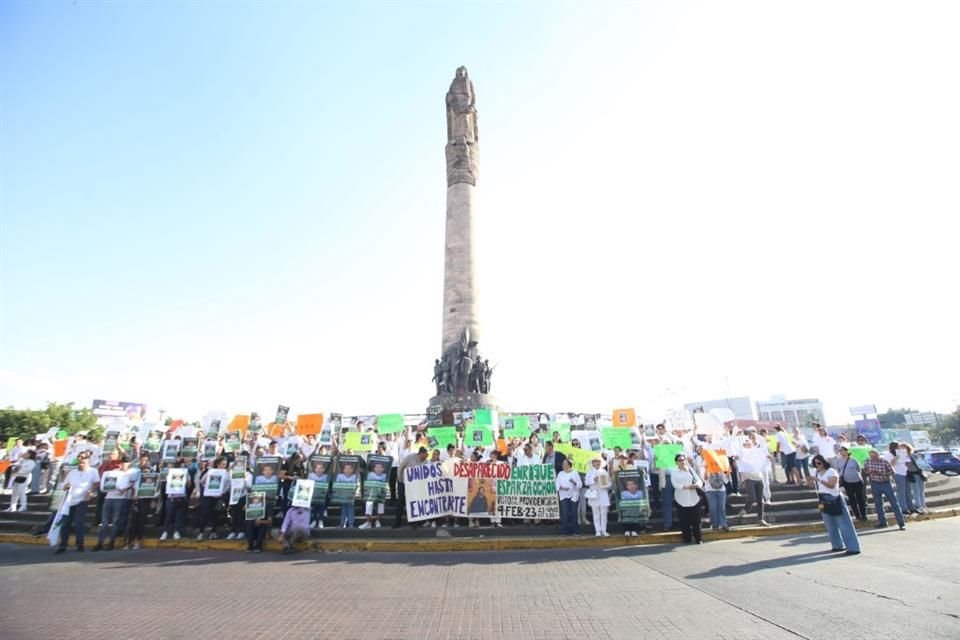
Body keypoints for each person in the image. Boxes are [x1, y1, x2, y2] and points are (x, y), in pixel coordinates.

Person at [808, 454, 861, 555]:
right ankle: (837, 545)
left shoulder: (831, 471)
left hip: (834, 497)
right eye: (815, 463)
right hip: (822, 498)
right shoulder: (816, 472)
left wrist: (819, 480)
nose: (817, 465)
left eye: (819, 463)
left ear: (824, 462)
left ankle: (853, 547)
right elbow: (813, 485)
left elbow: (832, 485)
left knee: (843, 523)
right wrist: (810, 480)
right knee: (829, 524)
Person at [55, 452, 101, 554]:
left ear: (88, 463)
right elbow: (64, 485)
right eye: (80, 463)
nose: (81, 464)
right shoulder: (72, 473)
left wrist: (91, 491)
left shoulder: (93, 471)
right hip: (70, 500)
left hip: (82, 500)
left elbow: (96, 483)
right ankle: (63, 545)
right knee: (66, 523)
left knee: (79, 523)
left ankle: (80, 545)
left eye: (84, 463)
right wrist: (66, 486)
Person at [93, 455, 133, 551]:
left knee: (116, 522)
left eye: (126, 463)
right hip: (109, 498)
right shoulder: (111, 473)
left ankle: (111, 542)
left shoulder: (129, 475)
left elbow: (129, 486)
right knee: (104, 522)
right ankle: (100, 542)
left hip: (120, 499)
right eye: (122, 463)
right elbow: (103, 486)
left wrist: (124, 489)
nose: (123, 464)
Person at [862, 449, 906, 530]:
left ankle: (901, 523)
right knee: (878, 504)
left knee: (894, 503)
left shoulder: (884, 461)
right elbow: (865, 471)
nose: (873, 458)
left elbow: (892, 472)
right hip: (874, 483)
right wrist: (869, 472)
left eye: (875, 456)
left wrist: (883, 474)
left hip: (885, 483)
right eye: (871, 456)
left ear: (878, 455)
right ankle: (882, 522)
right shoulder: (867, 462)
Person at [670, 454, 703, 544]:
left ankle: (698, 538)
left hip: (693, 498)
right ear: (676, 462)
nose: (682, 462)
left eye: (683, 460)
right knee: (684, 521)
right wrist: (686, 487)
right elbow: (675, 484)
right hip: (681, 499)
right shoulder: (674, 472)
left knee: (696, 520)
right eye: (680, 460)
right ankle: (687, 538)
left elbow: (699, 480)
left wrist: (697, 485)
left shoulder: (690, 470)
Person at [394, 447, 429, 528]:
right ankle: (397, 522)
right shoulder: (410, 457)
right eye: (426, 454)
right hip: (403, 483)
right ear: (421, 453)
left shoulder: (426, 462)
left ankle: (413, 523)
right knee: (400, 502)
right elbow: (401, 467)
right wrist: (400, 480)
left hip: (415, 486)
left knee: (413, 503)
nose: (427, 456)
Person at [738, 438, 769, 526]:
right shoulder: (741, 454)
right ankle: (746, 509)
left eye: (749, 444)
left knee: (761, 500)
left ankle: (760, 519)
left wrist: (768, 457)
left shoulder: (756, 454)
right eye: (745, 445)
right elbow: (738, 464)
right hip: (749, 479)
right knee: (752, 497)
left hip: (759, 478)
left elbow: (764, 459)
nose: (747, 446)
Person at [883, 442, 915, 515]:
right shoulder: (889, 455)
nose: (899, 448)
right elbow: (890, 464)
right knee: (901, 492)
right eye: (898, 447)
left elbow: (906, 462)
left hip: (905, 472)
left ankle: (911, 507)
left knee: (908, 491)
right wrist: (897, 457)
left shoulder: (902, 453)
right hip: (897, 473)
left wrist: (906, 457)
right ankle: (903, 508)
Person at [837, 447, 867, 522]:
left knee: (860, 498)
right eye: (840, 451)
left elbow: (858, 469)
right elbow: (838, 470)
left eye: (842, 450)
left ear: (847, 451)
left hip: (857, 481)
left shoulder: (853, 460)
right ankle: (857, 515)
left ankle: (863, 515)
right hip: (846, 482)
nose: (841, 452)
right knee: (851, 498)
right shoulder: (838, 461)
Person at [584, 457, 611, 537]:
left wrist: (606, 484)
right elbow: (586, 482)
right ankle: (598, 530)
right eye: (595, 461)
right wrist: (593, 480)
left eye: (598, 461)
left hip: (603, 493)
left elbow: (609, 483)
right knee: (596, 513)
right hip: (594, 494)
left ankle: (604, 530)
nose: (597, 463)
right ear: (592, 463)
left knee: (604, 513)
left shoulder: (604, 472)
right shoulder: (589, 472)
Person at [555, 458, 581, 536]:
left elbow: (580, 484)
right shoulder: (560, 473)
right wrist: (562, 488)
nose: (563, 465)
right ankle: (564, 531)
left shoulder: (575, 473)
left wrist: (574, 482)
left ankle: (575, 531)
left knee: (574, 513)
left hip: (573, 495)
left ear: (569, 465)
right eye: (562, 464)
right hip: (564, 495)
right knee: (565, 513)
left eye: (564, 464)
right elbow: (557, 484)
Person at [902, 443, 927, 514]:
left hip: (919, 473)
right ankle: (919, 505)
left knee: (921, 490)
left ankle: (922, 505)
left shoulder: (914, 455)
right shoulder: (904, 458)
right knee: (916, 490)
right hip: (912, 474)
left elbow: (922, 464)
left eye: (904, 448)